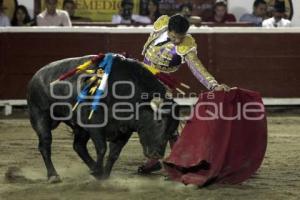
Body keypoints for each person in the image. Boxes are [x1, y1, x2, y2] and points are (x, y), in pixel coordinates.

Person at [138, 14, 230, 174]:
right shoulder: (161, 23)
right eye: (174, 37)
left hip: (160, 85)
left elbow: (196, 67)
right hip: (139, 75)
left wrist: (213, 85)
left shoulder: (187, 45)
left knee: (162, 121)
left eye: (180, 38)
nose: (177, 41)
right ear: (169, 29)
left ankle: (165, 160)